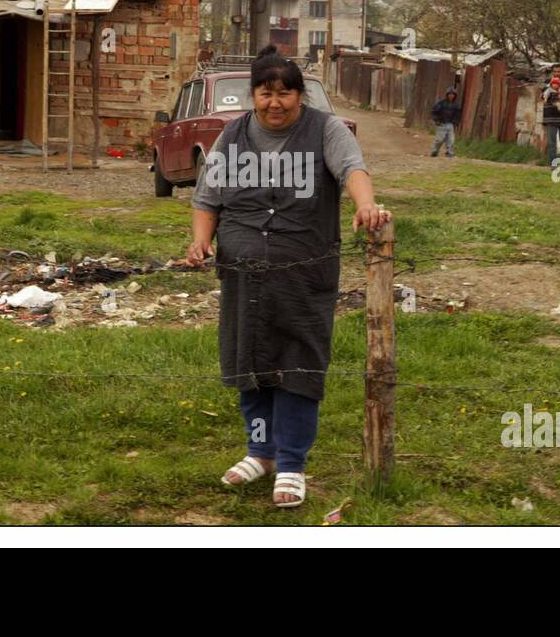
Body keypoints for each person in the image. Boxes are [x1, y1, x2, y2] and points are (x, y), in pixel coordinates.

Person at [188, 44, 391, 508]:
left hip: (304, 274)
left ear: (301, 96)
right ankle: (260, 452)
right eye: (265, 93)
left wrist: (365, 205)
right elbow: (207, 199)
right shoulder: (232, 136)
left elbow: (352, 170)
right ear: (252, 95)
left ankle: (293, 463)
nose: (274, 103)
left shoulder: (326, 129)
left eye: (285, 93)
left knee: (298, 365)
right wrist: (200, 241)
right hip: (242, 272)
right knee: (250, 362)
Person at [430, 86, 462, 157]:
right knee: (439, 140)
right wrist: (437, 120)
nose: (451, 96)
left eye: (453, 94)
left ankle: (449, 153)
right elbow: (434, 112)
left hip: (450, 124)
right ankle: (435, 151)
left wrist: (455, 122)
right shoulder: (441, 103)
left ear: (455, 95)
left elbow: (458, 115)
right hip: (441, 123)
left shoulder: (457, 105)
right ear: (447, 95)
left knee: (451, 140)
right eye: (450, 94)